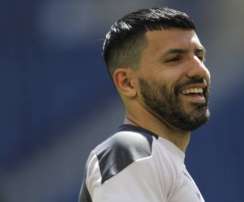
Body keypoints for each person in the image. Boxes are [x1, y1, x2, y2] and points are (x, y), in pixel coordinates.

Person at [79, 7, 211, 202]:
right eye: (175, 59)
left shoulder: (162, 161)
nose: (200, 70)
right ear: (127, 83)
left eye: (199, 57)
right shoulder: (130, 150)